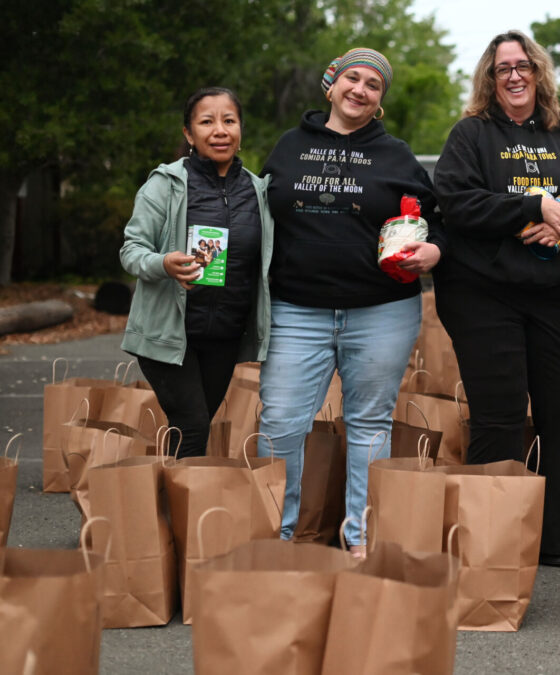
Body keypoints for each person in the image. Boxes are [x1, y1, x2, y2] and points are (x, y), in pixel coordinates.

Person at [433, 30, 560, 568]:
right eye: (502, 68)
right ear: (490, 79)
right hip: (482, 295)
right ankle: (490, 544)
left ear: (539, 73)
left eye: (523, 66)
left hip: (550, 294)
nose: (513, 75)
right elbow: (458, 204)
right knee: (500, 415)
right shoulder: (471, 135)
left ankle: (547, 539)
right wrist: (534, 205)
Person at [258, 48, 445, 553]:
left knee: (368, 425)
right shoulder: (289, 146)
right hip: (297, 310)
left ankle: (359, 542)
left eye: (373, 85)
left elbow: (438, 219)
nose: (360, 90)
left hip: (381, 310)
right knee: (280, 423)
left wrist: (434, 249)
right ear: (331, 85)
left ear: (380, 100)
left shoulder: (398, 156)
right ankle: (275, 537)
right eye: (352, 79)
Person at [120, 87, 272, 459]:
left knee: (193, 427)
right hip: (170, 333)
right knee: (192, 426)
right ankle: (179, 516)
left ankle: (160, 508)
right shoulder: (165, 185)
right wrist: (164, 264)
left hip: (223, 335)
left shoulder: (258, 191)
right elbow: (131, 251)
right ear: (189, 134)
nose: (219, 130)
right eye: (207, 122)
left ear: (240, 130)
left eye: (229, 120)